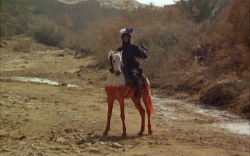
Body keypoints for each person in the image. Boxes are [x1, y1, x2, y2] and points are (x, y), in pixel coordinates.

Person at [116, 28, 147, 98]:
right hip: (123, 66)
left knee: (133, 75)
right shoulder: (119, 49)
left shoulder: (134, 47)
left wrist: (143, 53)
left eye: (126, 37)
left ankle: (138, 91)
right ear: (122, 38)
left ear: (129, 38)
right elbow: (116, 58)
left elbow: (140, 54)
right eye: (124, 37)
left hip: (133, 66)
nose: (125, 38)